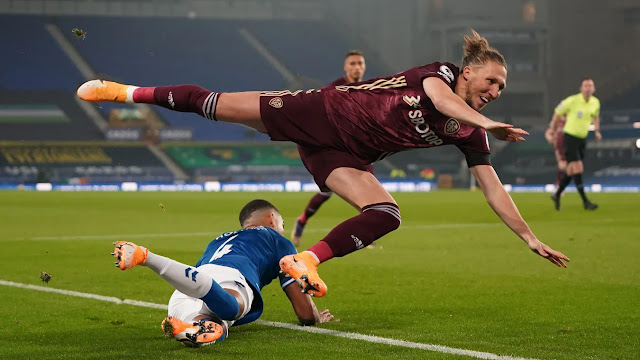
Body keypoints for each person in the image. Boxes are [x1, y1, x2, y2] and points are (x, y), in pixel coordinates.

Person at [80, 30, 570, 299]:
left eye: (501, 88)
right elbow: (442, 102)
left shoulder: (471, 131)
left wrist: (528, 236)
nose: (495, 91)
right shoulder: (439, 76)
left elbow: (492, 187)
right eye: (491, 81)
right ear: (468, 71)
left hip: (340, 155)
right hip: (317, 110)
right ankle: (122, 91)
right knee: (215, 104)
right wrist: (493, 124)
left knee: (386, 214)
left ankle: (306, 258)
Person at [111, 199, 333, 347]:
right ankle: (147, 257)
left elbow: (200, 279)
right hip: (228, 280)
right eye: (282, 223)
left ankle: (188, 328)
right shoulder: (276, 239)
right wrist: (314, 317)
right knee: (232, 309)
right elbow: (304, 312)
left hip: (190, 284)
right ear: (272, 219)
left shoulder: (217, 240)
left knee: (215, 328)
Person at [291, 49, 380, 250]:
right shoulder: (334, 89)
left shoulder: (369, 88)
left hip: (362, 146)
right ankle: (302, 220)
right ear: (345, 67)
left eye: (360, 63)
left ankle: (368, 234)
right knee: (327, 192)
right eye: (353, 64)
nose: (357, 67)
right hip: (338, 146)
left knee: (370, 188)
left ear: (364, 66)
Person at [547, 78, 601, 211]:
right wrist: (553, 131)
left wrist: (597, 131)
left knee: (571, 171)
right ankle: (586, 202)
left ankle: (557, 194)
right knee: (578, 168)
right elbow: (557, 113)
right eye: (585, 86)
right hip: (570, 138)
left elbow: (595, 116)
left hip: (582, 139)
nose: (588, 88)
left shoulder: (595, 102)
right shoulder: (572, 101)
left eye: (590, 86)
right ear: (581, 88)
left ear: (593, 89)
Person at [545, 114, 567, 186]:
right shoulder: (556, 121)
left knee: (569, 167)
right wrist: (550, 139)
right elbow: (549, 132)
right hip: (559, 146)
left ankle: (561, 183)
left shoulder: (571, 121)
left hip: (569, 145)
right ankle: (560, 184)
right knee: (562, 165)